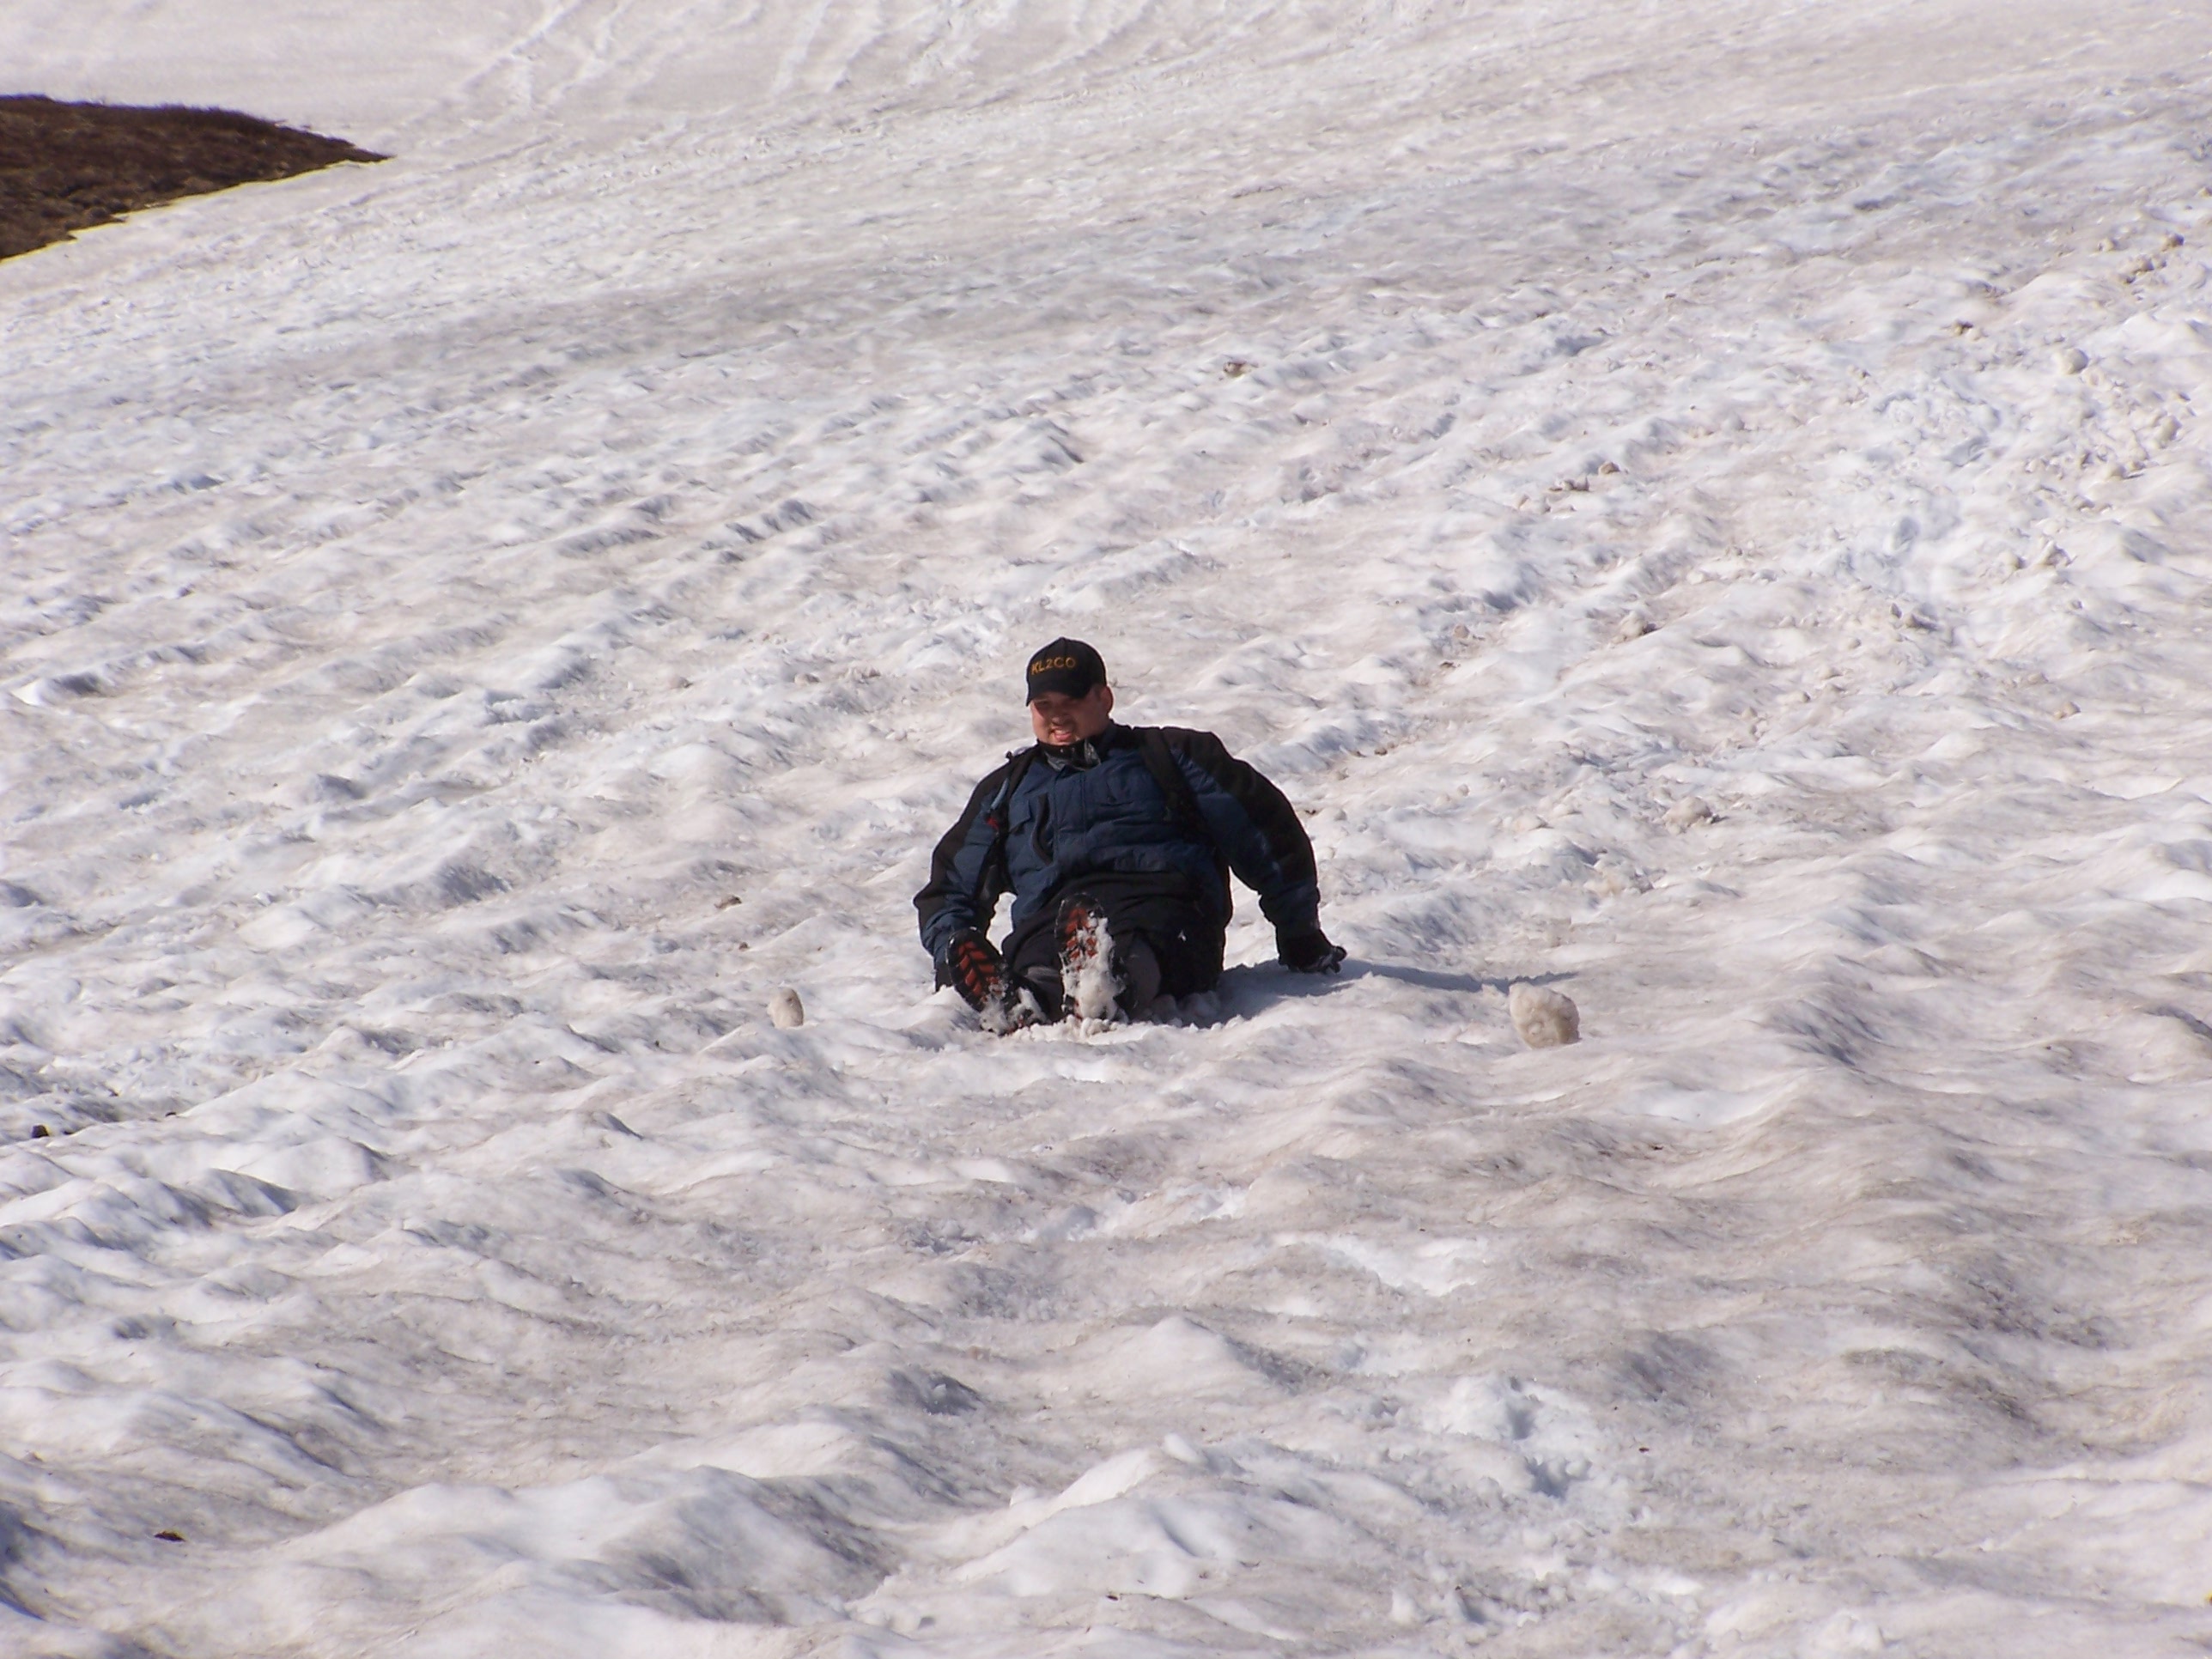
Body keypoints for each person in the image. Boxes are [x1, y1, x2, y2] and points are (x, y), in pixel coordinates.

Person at [916, 639, 1345, 1028]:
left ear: (1104, 698)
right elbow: (952, 883)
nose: (1057, 715)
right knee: (1038, 950)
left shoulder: (1171, 756)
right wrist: (951, 954)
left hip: (1165, 908)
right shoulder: (1007, 790)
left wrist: (1299, 931)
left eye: (1072, 700)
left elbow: (1264, 832)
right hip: (1054, 918)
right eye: (1044, 705)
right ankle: (1022, 1000)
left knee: (1135, 942)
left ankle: (1108, 985)